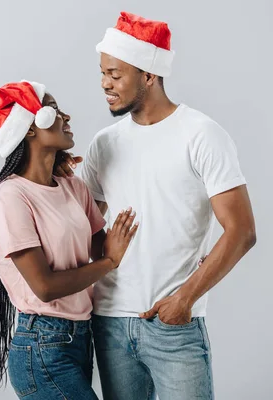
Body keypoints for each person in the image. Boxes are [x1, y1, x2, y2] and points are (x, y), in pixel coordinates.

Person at [56, 11, 257, 400]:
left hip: (174, 325)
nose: (105, 85)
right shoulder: (104, 143)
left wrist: (185, 298)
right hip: (110, 321)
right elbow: (82, 227)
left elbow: (242, 231)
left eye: (115, 75)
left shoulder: (200, 135)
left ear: (149, 75)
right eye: (102, 73)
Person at [0, 80, 139, 399]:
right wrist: (109, 262)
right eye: (53, 109)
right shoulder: (10, 196)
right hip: (41, 345)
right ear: (29, 128)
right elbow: (45, 287)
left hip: (81, 338)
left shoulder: (73, 187)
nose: (66, 116)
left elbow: (102, 246)